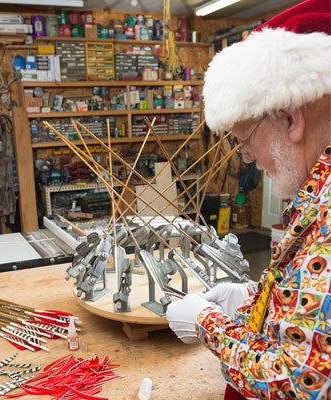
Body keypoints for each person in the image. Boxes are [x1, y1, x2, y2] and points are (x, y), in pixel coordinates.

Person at [166, 1, 331, 399]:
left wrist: (209, 324)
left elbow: (303, 380)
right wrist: (263, 298)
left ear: (291, 119)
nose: (249, 158)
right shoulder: (318, 190)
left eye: (245, 141)